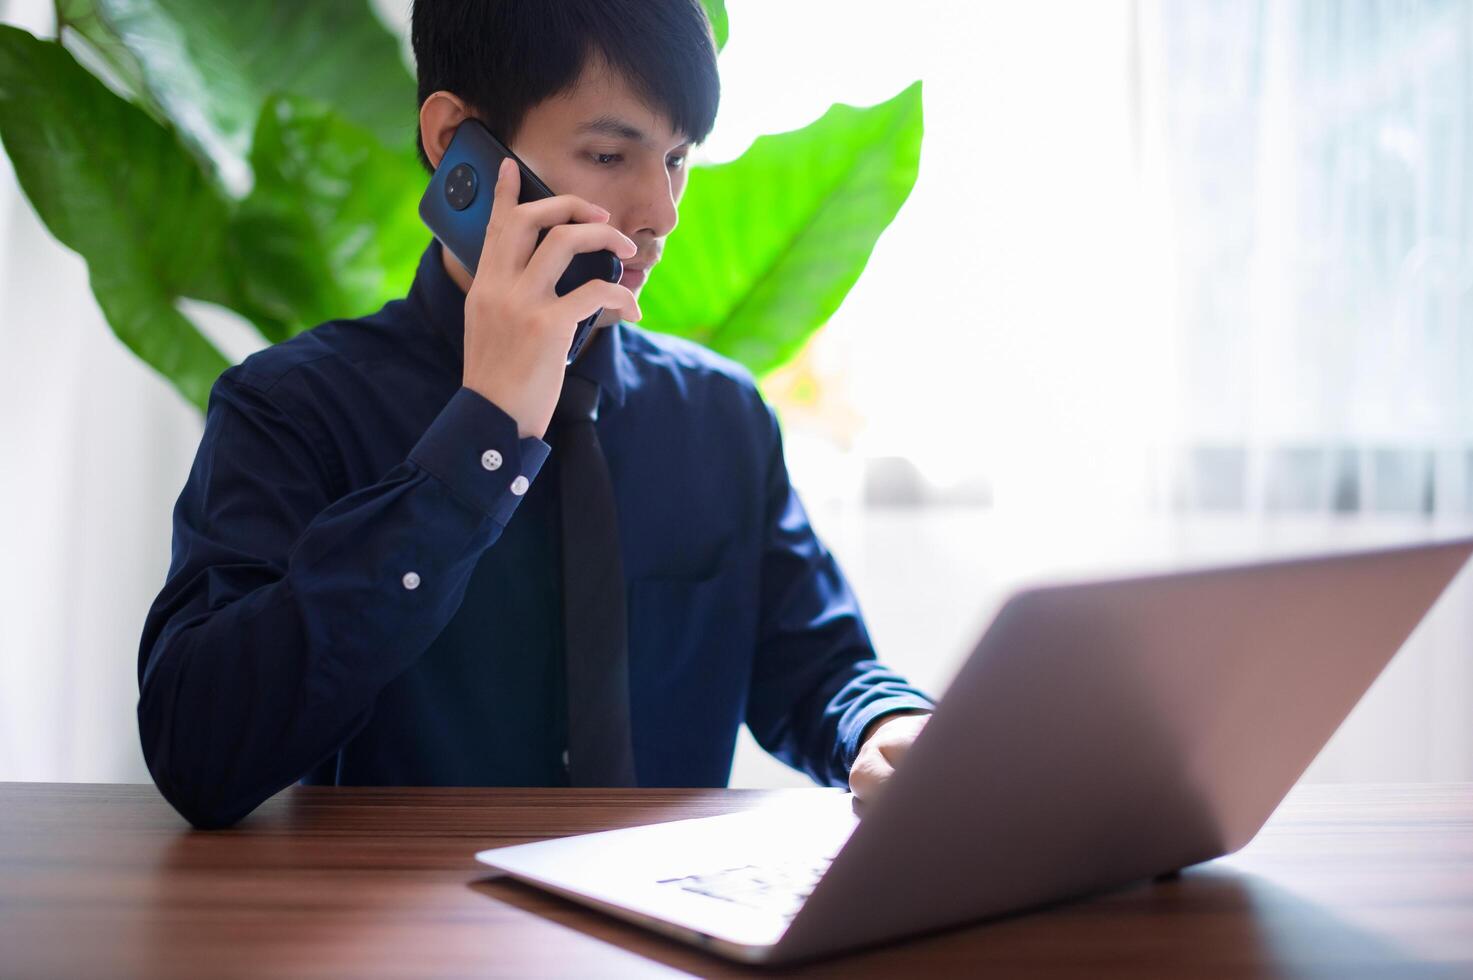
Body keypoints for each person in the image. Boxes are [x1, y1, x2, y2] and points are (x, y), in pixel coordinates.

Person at [137, 0, 934, 830]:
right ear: (456, 144)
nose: (659, 212)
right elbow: (198, 754)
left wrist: (887, 726)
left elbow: (816, 662)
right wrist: (480, 435)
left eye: (675, 159)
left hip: (662, 939)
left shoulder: (718, 413)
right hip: (402, 942)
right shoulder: (291, 409)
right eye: (606, 154)